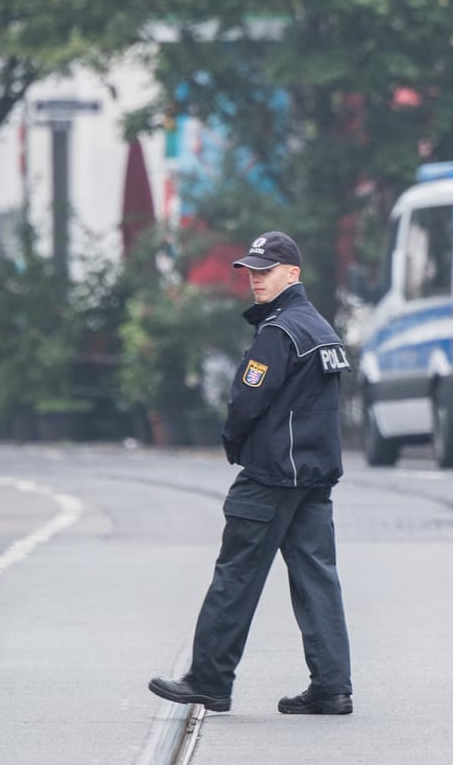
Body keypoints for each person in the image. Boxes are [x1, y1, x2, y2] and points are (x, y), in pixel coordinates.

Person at [149, 231, 354, 715]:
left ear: (292, 274)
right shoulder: (319, 326)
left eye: (265, 271)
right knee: (317, 577)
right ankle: (332, 686)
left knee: (236, 574)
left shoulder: (279, 332)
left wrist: (234, 443)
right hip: (313, 475)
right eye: (252, 272)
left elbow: (246, 400)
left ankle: (209, 679)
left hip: (272, 473)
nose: (256, 280)